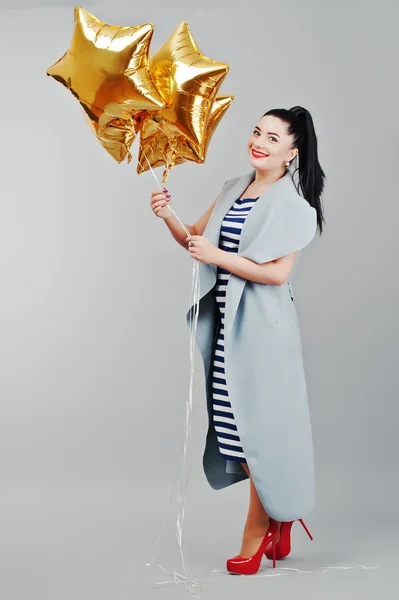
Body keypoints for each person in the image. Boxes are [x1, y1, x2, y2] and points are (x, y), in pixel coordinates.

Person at [150, 106, 325, 575]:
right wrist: (170, 216)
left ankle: (260, 530)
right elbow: (196, 240)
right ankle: (282, 511)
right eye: (256, 132)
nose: (259, 142)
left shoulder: (293, 205)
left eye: (273, 137)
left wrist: (219, 256)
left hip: (265, 333)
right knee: (231, 429)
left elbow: (277, 274)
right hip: (229, 327)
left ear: (293, 151)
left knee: (257, 435)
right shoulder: (233, 187)